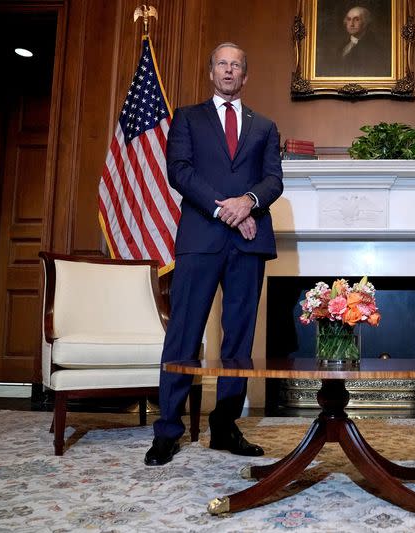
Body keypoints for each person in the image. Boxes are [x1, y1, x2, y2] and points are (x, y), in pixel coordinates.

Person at [144, 42, 284, 466]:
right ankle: (168, 430)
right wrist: (228, 208)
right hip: (201, 238)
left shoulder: (265, 126)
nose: (228, 71)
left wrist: (249, 202)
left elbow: (273, 181)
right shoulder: (187, 118)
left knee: (237, 340)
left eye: (236, 65)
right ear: (211, 72)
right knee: (184, 333)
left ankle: (225, 426)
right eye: (222, 64)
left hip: (249, 241)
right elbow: (179, 171)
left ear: (245, 75)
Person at [319, 6, 390, 77]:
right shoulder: (342, 45)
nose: (351, 24)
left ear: (365, 23)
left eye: (356, 19)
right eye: (349, 19)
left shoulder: (374, 48)